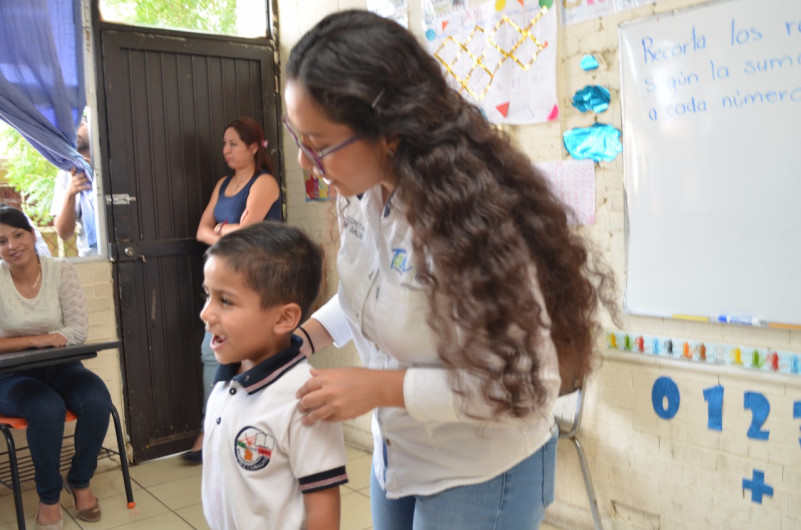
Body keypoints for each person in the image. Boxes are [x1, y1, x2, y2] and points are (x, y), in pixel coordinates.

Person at [283, 10, 617, 530]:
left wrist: (379, 389)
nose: (306, 163)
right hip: (399, 453)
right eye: (298, 138)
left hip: (482, 469)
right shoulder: (359, 195)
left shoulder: (473, 225)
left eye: (320, 146)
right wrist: (302, 338)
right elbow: (374, 296)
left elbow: (525, 383)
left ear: (388, 132)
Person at [200, 221, 347, 530]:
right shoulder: (225, 381)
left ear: (284, 318)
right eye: (208, 295)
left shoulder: (306, 397)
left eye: (225, 301)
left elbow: (324, 509)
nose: (206, 313)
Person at [0, 206, 111, 530]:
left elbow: (77, 330)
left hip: (62, 367)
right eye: (1, 241)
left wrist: (44, 340)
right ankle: (49, 497)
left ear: (32, 235)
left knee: (96, 399)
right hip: (11, 376)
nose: (11, 245)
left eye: (17, 234)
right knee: (46, 407)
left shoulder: (60, 270)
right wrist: (39, 339)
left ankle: (79, 480)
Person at [184, 117, 282, 463]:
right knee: (212, 351)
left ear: (253, 147)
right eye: (224, 144)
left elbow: (248, 232)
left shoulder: (264, 182)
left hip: (256, 282)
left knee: (253, 356)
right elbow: (201, 230)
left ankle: (243, 432)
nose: (225, 150)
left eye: (233, 144)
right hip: (225, 280)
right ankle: (211, 428)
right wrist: (227, 229)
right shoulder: (223, 183)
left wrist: (227, 230)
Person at [50, 120, 97, 257]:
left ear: (91, 125)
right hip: (93, 257)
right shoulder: (67, 173)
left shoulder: (114, 160)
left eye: (78, 125)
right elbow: (64, 233)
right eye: (67, 131)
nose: (74, 132)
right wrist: (70, 193)